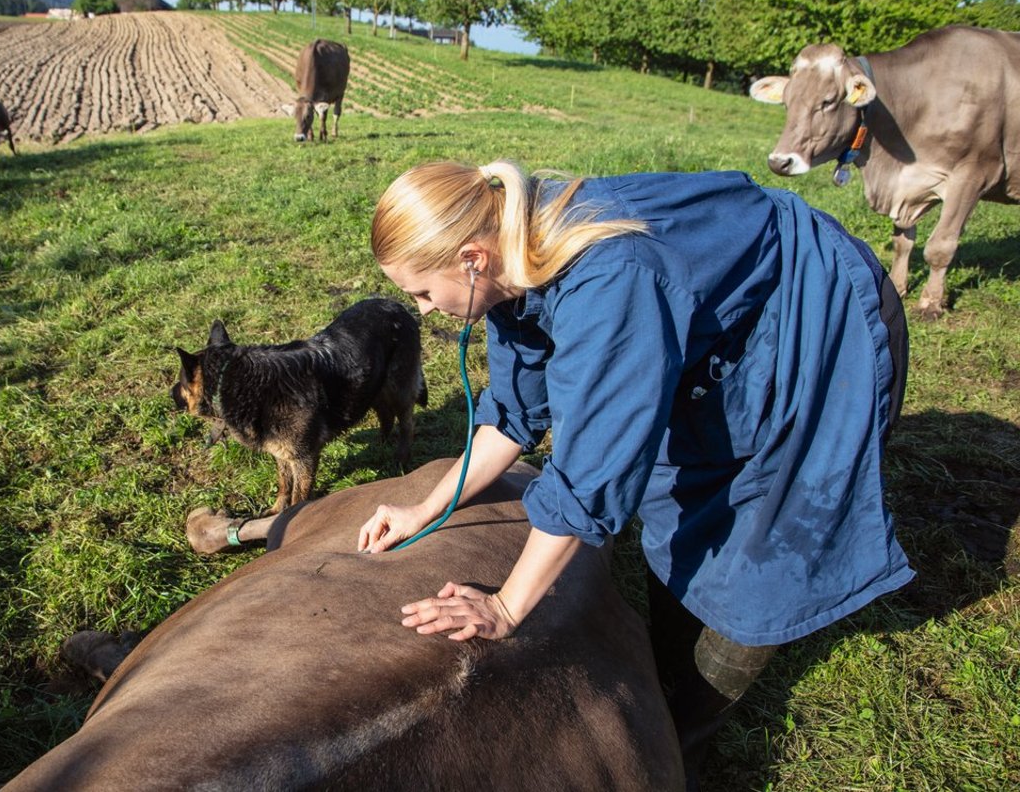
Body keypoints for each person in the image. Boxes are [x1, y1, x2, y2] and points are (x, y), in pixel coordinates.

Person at [357, 160, 913, 789]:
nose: (425, 312)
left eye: (425, 294)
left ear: (471, 259)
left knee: (768, 539)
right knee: (678, 492)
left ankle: (684, 728)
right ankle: (674, 655)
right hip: (704, 322)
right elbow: (514, 414)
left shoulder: (609, 281)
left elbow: (592, 469)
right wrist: (426, 507)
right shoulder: (514, 258)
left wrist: (508, 607)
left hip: (812, 311)